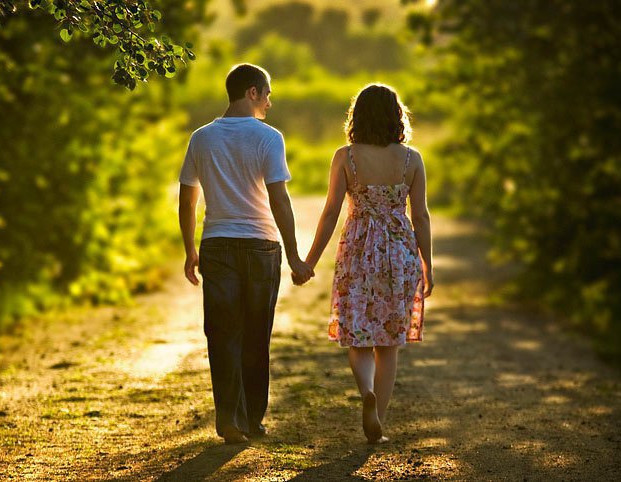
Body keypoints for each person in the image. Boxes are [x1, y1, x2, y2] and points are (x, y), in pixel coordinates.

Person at [178, 63, 314, 445]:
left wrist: (190, 249)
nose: (270, 102)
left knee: (222, 334)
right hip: (260, 246)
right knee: (257, 334)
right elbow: (279, 198)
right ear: (252, 92)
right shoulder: (268, 137)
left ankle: (230, 420)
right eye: (267, 93)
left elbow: (187, 199)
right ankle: (253, 420)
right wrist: (294, 255)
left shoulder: (201, 138)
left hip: (217, 244)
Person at [302, 83, 434, 443]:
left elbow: (330, 213)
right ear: (397, 116)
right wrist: (428, 264)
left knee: (358, 335)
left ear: (357, 115)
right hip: (399, 252)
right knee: (388, 343)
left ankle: (366, 394)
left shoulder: (346, 157)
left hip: (358, 249)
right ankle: (378, 418)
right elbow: (420, 216)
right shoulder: (411, 160)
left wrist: (310, 260)